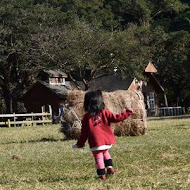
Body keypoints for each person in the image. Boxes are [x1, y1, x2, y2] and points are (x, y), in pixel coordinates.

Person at [72, 90, 133, 180]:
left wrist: (79, 144)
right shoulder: (105, 112)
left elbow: (83, 133)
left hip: (96, 142)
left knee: (99, 158)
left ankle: (102, 175)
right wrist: (127, 112)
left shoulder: (86, 117)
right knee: (105, 152)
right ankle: (110, 168)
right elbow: (117, 118)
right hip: (106, 141)